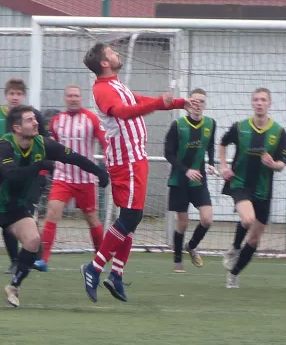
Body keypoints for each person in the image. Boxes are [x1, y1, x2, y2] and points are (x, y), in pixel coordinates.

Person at [0, 105, 109, 309]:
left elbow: (72, 157)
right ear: (17, 127)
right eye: (30, 120)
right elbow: (12, 175)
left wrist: (99, 172)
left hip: (16, 206)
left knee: (33, 241)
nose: (36, 123)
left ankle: (14, 286)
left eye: (35, 119)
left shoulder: (43, 144)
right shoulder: (4, 145)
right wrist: (39, 166)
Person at [79, 42, 198, 303]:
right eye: (111, 52)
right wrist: (157, 104)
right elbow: (123, 112)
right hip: (126, 161)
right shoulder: (102, 89)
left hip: (135, 159)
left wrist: (177, 103)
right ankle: (95, 267)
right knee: (132, 217)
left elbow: (138, 101)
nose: (116, 53)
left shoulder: (116, 85)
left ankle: (116, 275)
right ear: (104, 63)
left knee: (131, 218)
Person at [0, 77, 49, 274]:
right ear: (6, 95)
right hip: (5, 176)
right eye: (11, 94)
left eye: (18, 94)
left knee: (25, 214)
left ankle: (34, 254)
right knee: (9, 215)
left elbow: (46, 142)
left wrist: (44, 165)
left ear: (23, 96)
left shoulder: (32, 117)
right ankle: (17, 260)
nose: (15, 97)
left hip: (30, 176)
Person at [219, 88, 286, 288]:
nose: (259, 103)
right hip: (240, 183)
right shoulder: (240, 127)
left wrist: (273, 164)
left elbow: (282, 163)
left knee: (255, 239)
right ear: (252, 103)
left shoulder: (278, 132)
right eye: (256, 100)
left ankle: (234, 273)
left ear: (269, 104)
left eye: (263, 100)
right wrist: (223, 167)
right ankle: (234, 247)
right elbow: (222, 143)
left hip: (264, 189)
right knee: (248, 219)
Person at [35, 85, 108, 271]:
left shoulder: (91, 118)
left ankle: (100, 260)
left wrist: (106, 166)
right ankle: (43, 260)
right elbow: (51, 149)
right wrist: (43, 172)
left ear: (81, 98)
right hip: (63, 177)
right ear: (65, 99)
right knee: (52, 213)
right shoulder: (56, 121)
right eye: (70, 96)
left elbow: (104, 141)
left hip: (86, 179)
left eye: (76, 95)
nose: (73, 98)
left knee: (92, 219)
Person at [164, 88, 216, 273]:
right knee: (183, 222)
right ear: (188, 104)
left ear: (205, 105)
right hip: (180, 180)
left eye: (201, 101)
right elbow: (168, 153)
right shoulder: (177, 125)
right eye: (194, 101)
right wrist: (185, 170)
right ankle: (178, 260)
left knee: (207, 219)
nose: (197, 105)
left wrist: (210, 163)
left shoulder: (211, 124)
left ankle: (192, 245)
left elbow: (210, 145)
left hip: (199, 180)